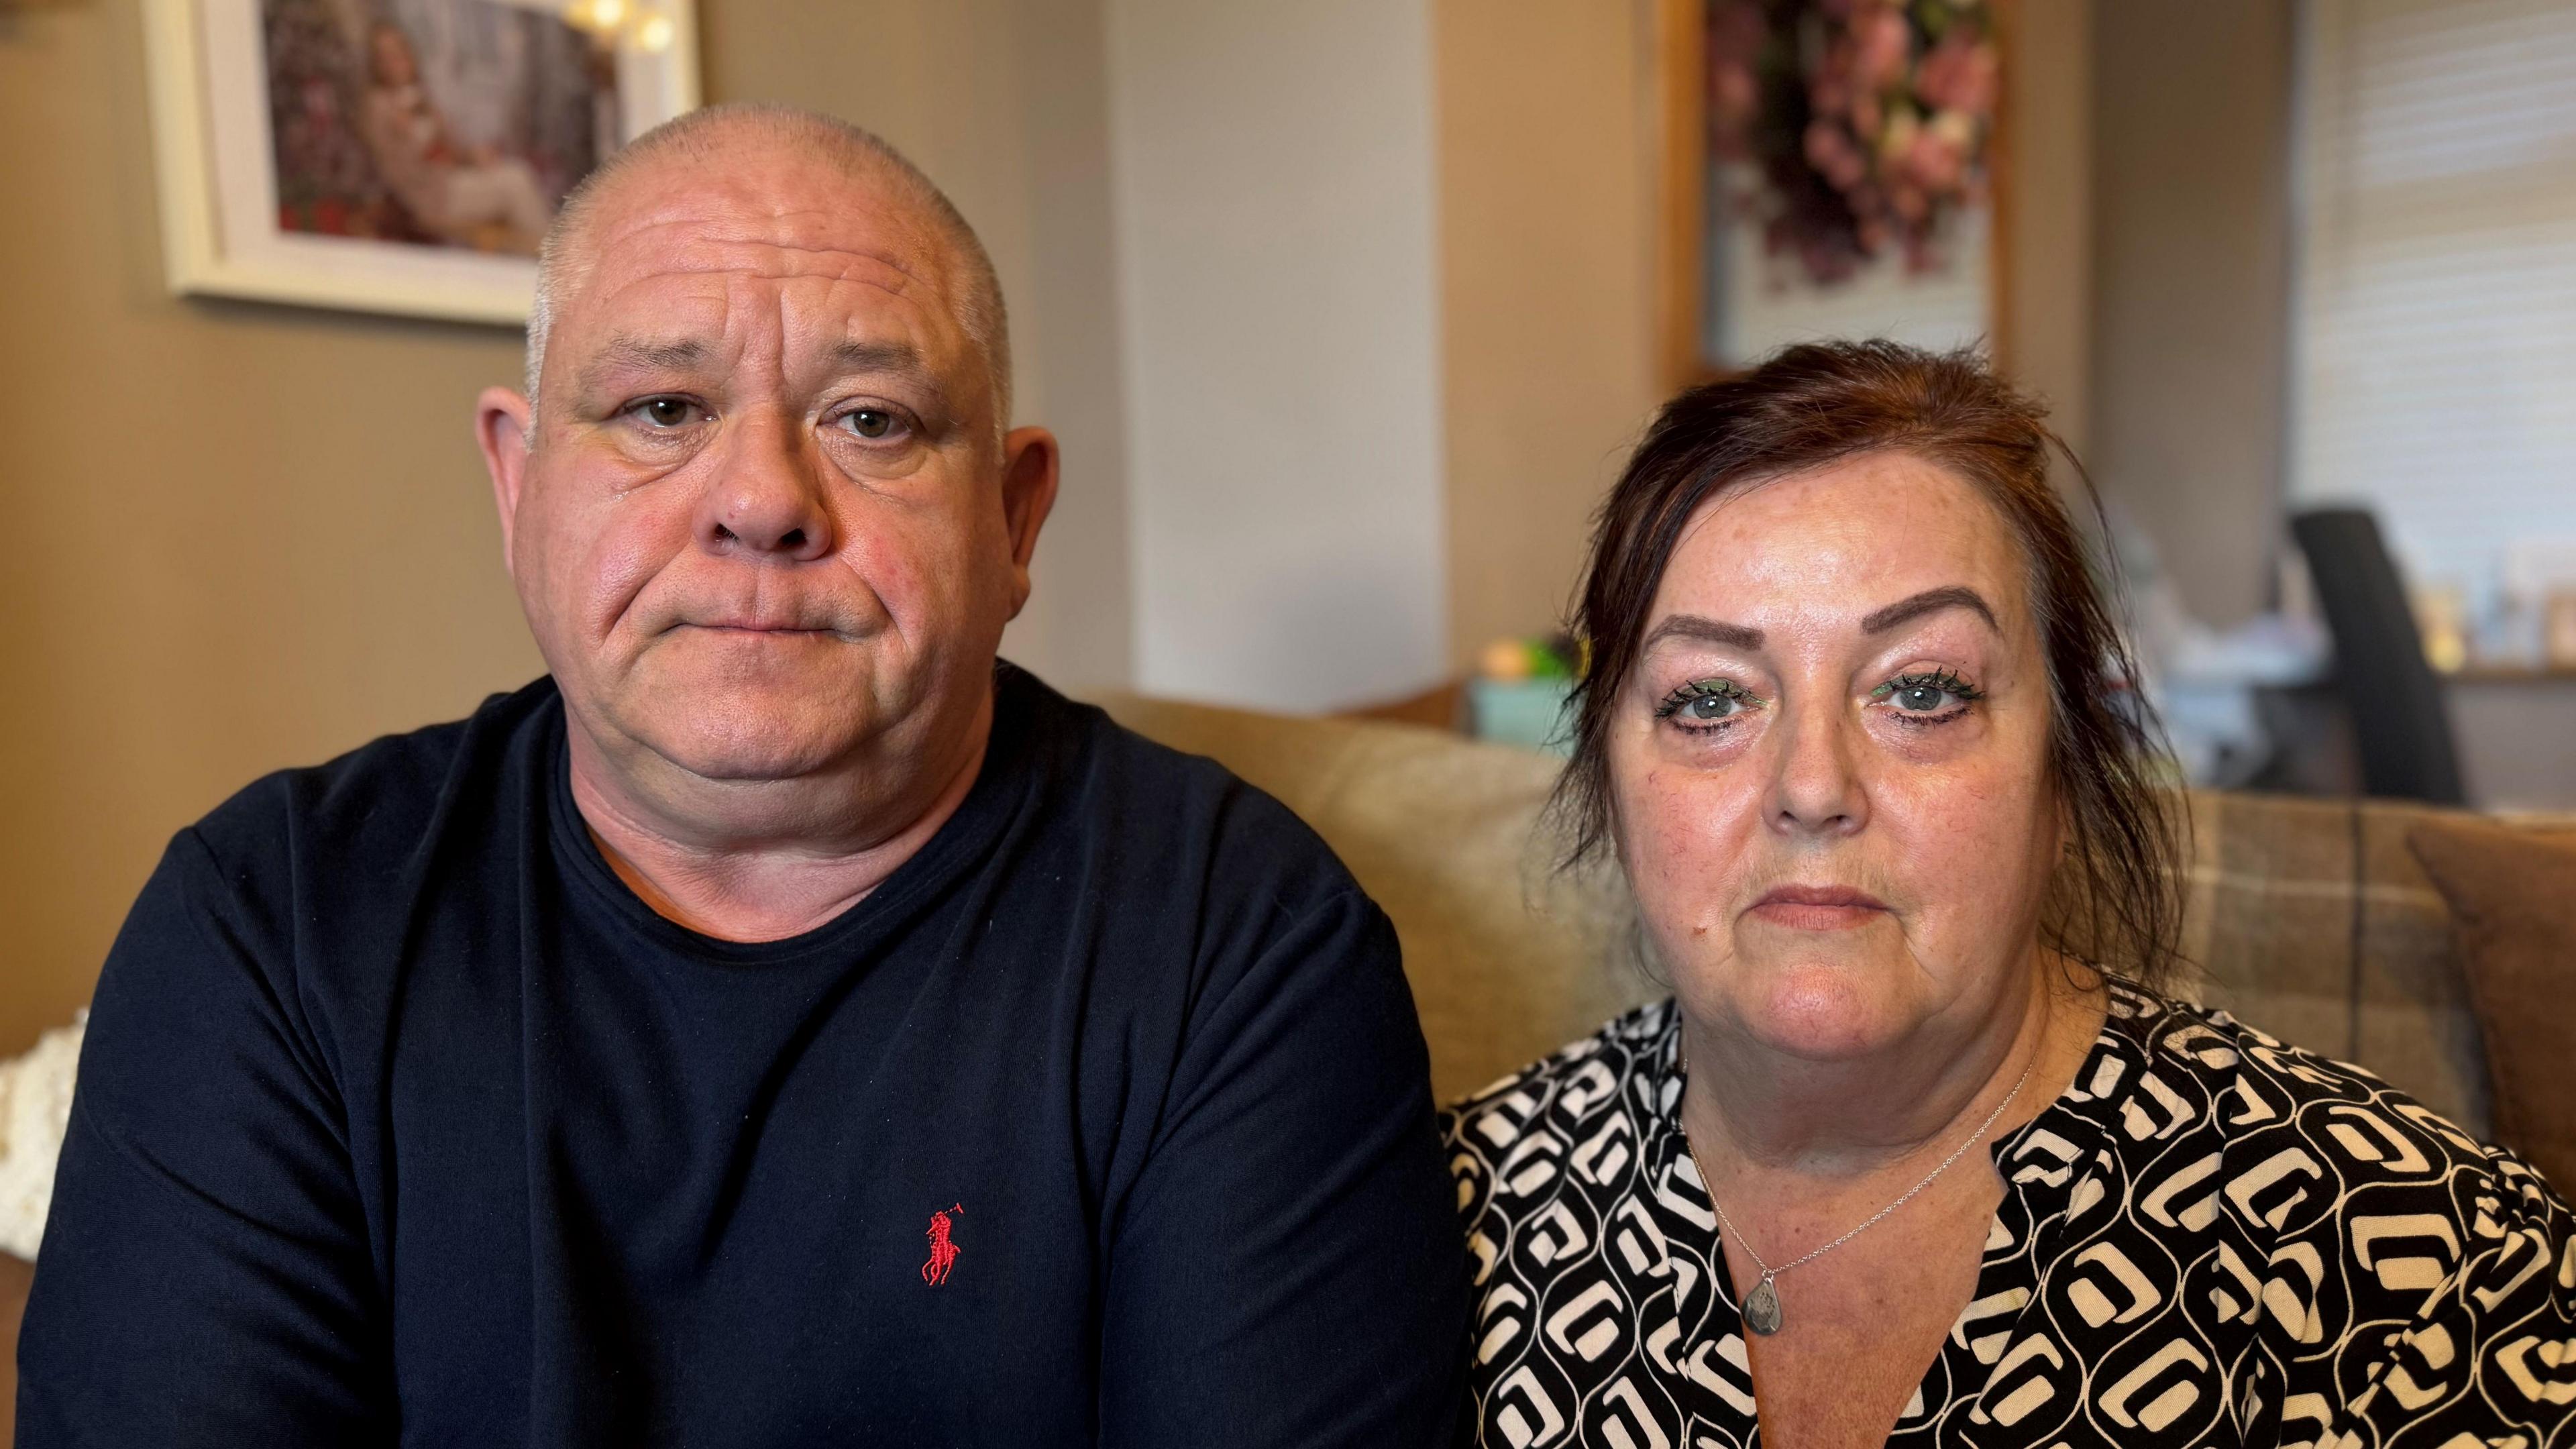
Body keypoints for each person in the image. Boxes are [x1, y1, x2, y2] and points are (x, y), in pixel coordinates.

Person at [19, 103, 1466, 1446]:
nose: (765, 501)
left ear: (1016, 518)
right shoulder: (268, 924)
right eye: (662, 408)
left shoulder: (1246, 941)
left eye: (874, 420)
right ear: (519, 489)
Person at [1444, 341, 2576, 1446]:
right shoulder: (1444, 1213)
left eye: (1923, 690)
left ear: (2066, 769)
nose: (1811, 787)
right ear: (1609, 778)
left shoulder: (2419, 1269)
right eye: (1708, 701)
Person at [358, 20, 554, 254]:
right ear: (377, 65)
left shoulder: (418, 97)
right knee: (516, 182)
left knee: (513, 181)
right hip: (432, 198)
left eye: (399, 51)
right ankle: (558, 267)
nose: (395, 61)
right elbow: (399, 167)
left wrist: (473, 156)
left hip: (451, 183)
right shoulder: (379, 106)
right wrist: (408, 137)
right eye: (386, 56)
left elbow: (449, 147)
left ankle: (541, 262)